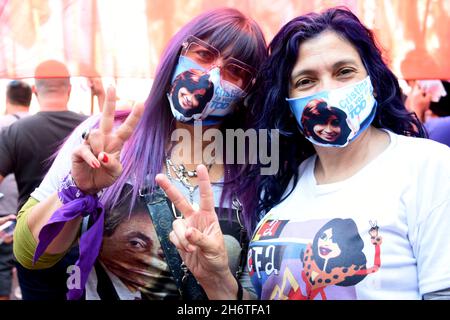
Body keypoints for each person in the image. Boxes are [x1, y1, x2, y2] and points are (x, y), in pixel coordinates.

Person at [156, 7, 450, 300]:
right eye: (306, 81)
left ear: (372, 80)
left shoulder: (429, 168)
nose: (327, 91)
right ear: (288, 102)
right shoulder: (281, 185)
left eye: (344, 72)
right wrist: (219, 281)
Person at [14, 8, 267, 300]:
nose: (211, 75)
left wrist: (219, 280)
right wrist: (77, 189)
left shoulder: (256, 170)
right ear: (177, 53)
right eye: (203, 54)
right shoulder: (108, 136)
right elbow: (30, 253)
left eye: (235, 72)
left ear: (249, 91)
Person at [0, 60, 100, 300]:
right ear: (70, 89)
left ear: (35, 91)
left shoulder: (16, 131)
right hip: (81, 243)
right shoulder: (88, 128)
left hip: (35, 237)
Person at [0, 80, 32, 300]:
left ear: (7, 98)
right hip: (34, 213)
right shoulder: (36, 125)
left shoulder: (3, 126)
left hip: (4, 210)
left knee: (2, 267)